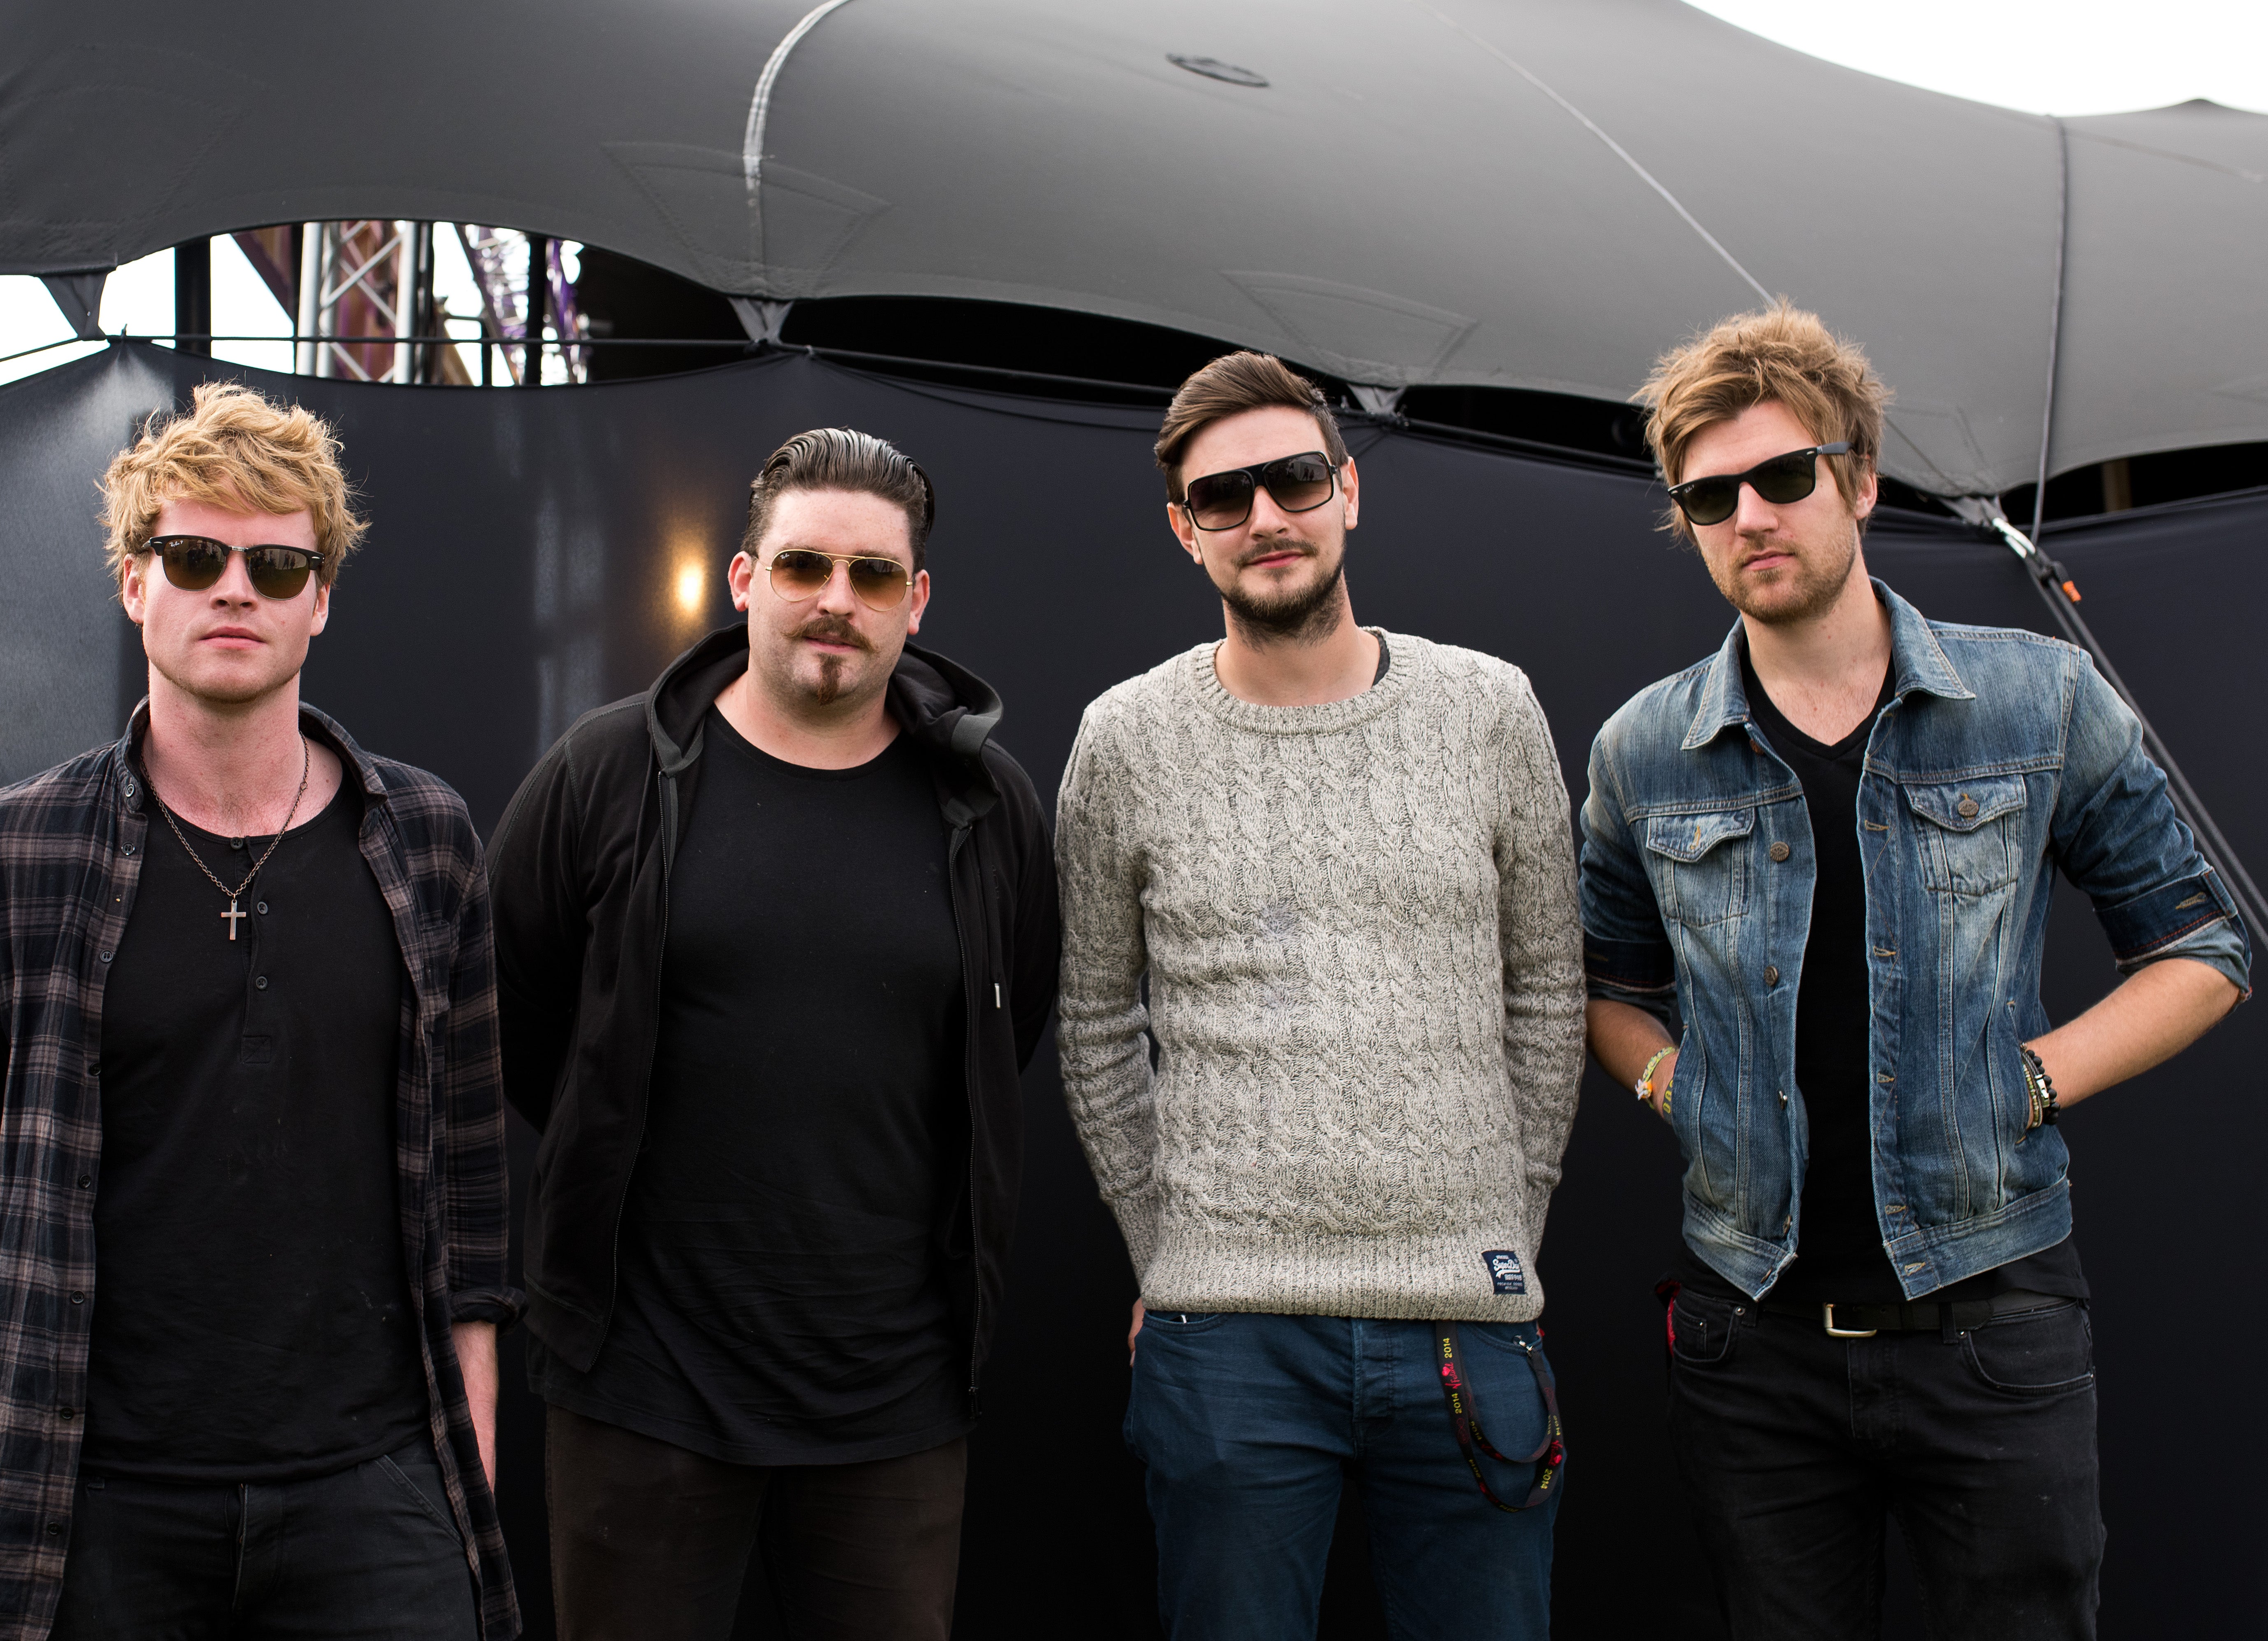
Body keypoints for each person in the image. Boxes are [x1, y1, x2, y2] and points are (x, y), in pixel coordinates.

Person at [1579, 304, 2249, 1639]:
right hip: (1749, 1336)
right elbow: (1606, 989)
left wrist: (2028, 1083)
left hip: (1991, 1321)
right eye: (1708, 496)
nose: (1749, 516)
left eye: (1783, 475)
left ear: (1861, 481)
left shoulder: (2037, 701)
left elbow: (2200, 947)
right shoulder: (1643, 749)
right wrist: (1671, 1087)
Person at [0, 382, 519, 1640]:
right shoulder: (7, 851)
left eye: (276, 565)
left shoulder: (426, 840)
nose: (235, 590)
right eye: (193, 557)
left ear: (319, 601)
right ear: (135, 582)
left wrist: (469, 1462)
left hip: (373, 1495)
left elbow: (474, 1191)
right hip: (84, 1498)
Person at [490, 428, 1059, 1641]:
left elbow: (1001, 1031)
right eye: (804, 566)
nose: (835, 600)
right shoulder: (607, 772)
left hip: (893, 1398)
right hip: (640, 1385)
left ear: (915, 601)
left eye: (871, 575)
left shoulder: (987, 803)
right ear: (745, 580)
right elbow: (510, 1014)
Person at [1052, 352, 1586, 1641]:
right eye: (1220, 497)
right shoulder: (1123, 740)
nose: (1263, 516)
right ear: (1183, 529)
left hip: (1466, 1320)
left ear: (1347, 490)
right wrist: (1162, 1251)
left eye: (1292, 478)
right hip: (1226, 1329)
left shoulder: (1488, 709)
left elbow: (1547, 994)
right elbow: (1094, 1025)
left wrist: (1502, 1229)